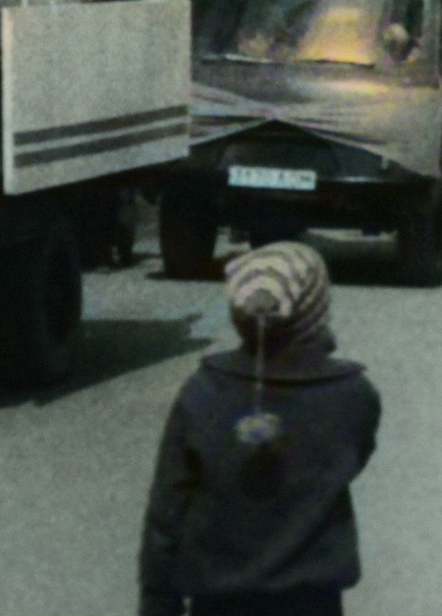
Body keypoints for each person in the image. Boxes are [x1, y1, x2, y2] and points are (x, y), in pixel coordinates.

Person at [140, 242, 382, 616]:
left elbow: (168, 505)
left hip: (218, 599)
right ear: (314, 311)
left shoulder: (204, 389)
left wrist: (158, 600)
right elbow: (356, 453)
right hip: (312, 600)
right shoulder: (352, 394)